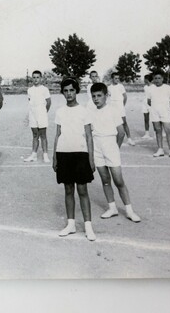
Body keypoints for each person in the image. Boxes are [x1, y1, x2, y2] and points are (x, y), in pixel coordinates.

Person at [88, 83, 141, 222]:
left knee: (118, 181)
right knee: (105, 180)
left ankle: (129, 211)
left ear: (106, 96)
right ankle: (112, 208)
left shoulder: (113, 110)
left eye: (99, 96)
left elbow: (121, 132)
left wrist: (115, 148)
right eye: (93, 96)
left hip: (110, 146)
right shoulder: (91, 112)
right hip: (97, 148)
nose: (96, 99)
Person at [52, 78, 97, 241]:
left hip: (80, 154)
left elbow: (89, 137)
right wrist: (54, 157)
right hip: (64, 153)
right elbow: (57, 134)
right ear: (62, 92)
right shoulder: (60, 111)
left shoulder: (84, 111)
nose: (69, 94)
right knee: (68, 190)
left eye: (71, 90)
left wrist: (91, 159)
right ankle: (70, 224)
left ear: (76, 91)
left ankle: (88, 226)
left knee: (83, 190)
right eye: (66, 91)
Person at [23, 70, 51, 163]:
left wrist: (43, 112)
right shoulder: (30, 90)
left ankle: (45, 155)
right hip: (32, 114)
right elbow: (30, 102)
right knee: (35, 135)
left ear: (41, 78)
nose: (35, 79)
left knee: (43, 135)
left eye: (37, 77)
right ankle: (34, 155)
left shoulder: (44, 89)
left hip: (42, 114)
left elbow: (49, 103)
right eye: (34, 77)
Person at [147, 70, 170, 157]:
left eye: (159, 78)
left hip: (165, 112)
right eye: (155, 78)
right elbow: (149, 101)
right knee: (158, 130)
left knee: (168, 130)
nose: (157, 80)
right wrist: (155, 107)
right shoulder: (151, 88)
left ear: (162, 79)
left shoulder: (167, 87)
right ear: (153, 79)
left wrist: (165, 107)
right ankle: (160, 149)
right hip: (154, 112)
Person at [108, 72, 136, 146]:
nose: (117, 80)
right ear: (112, 79)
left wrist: (122, 106)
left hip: (120, 106)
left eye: (118, 78)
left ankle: (129, 139)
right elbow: (108, 97)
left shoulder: (121, 86)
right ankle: (114, 140)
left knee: (124, 122)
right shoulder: (109, 87)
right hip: (112, 106)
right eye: (115, 78)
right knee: (113, 124)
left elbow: (125, 97)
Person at [141, 74, 153, 139]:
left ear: (147, 79)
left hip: (151, 104)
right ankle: (147, 134)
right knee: (146, 119)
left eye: (144, 79)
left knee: (154, 119)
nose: (144, 80)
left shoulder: (153, 87)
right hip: (145, 104)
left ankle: (158, 132)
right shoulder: (145, 87)